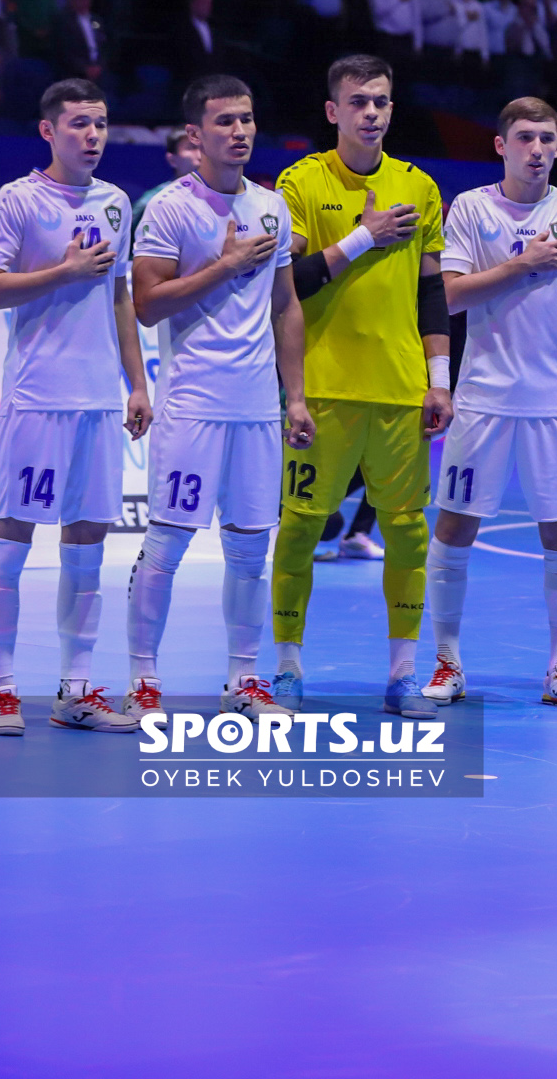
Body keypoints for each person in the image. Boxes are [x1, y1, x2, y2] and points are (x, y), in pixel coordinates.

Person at [123, 75, 311, 718]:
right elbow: (146, 304)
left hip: (257, 409)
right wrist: (224, 266)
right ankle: (145, 680)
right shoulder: (171, 208)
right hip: (193, 407)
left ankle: (243, 681)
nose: (240, 131)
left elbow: (286, 306)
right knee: (168, 547)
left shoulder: (271, 206)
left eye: (248, 119)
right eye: (225, 121)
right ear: (194, 135)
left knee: (251, 552)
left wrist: (296, 398)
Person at [272, 55, 452, 712]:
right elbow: (289, 282)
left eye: (380, 101)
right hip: (321, 392)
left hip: (401, 393)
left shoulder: (421, 186)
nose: (370, 112)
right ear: (333, 111)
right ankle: (287, 670)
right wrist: (361, 237)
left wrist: (440, 379)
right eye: (357, 102)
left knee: (407, 533)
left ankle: (403, 675)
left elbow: (433, 291)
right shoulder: (300, 181)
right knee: (298, 530)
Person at [0, 80, 154, 734]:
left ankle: (76, 692)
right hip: (37, 401)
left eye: (101, 124)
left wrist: (136, 384)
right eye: (79, 123)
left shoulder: (115, 203)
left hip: (97, 403)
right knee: (12, 543)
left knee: (88, 546)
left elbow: (119, 298)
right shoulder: (17, 201)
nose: (93, 135)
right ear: (48, 131)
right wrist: (60, 271)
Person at [429, 99, 557, 708]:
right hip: (481, 399)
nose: (537, 148)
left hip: (555, 402)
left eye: (548, 138)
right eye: (525, 137)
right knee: (454, 528)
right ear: (500, 146)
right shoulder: (473, 211)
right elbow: (450, 297)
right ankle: (445, 661)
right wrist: (523, 263)